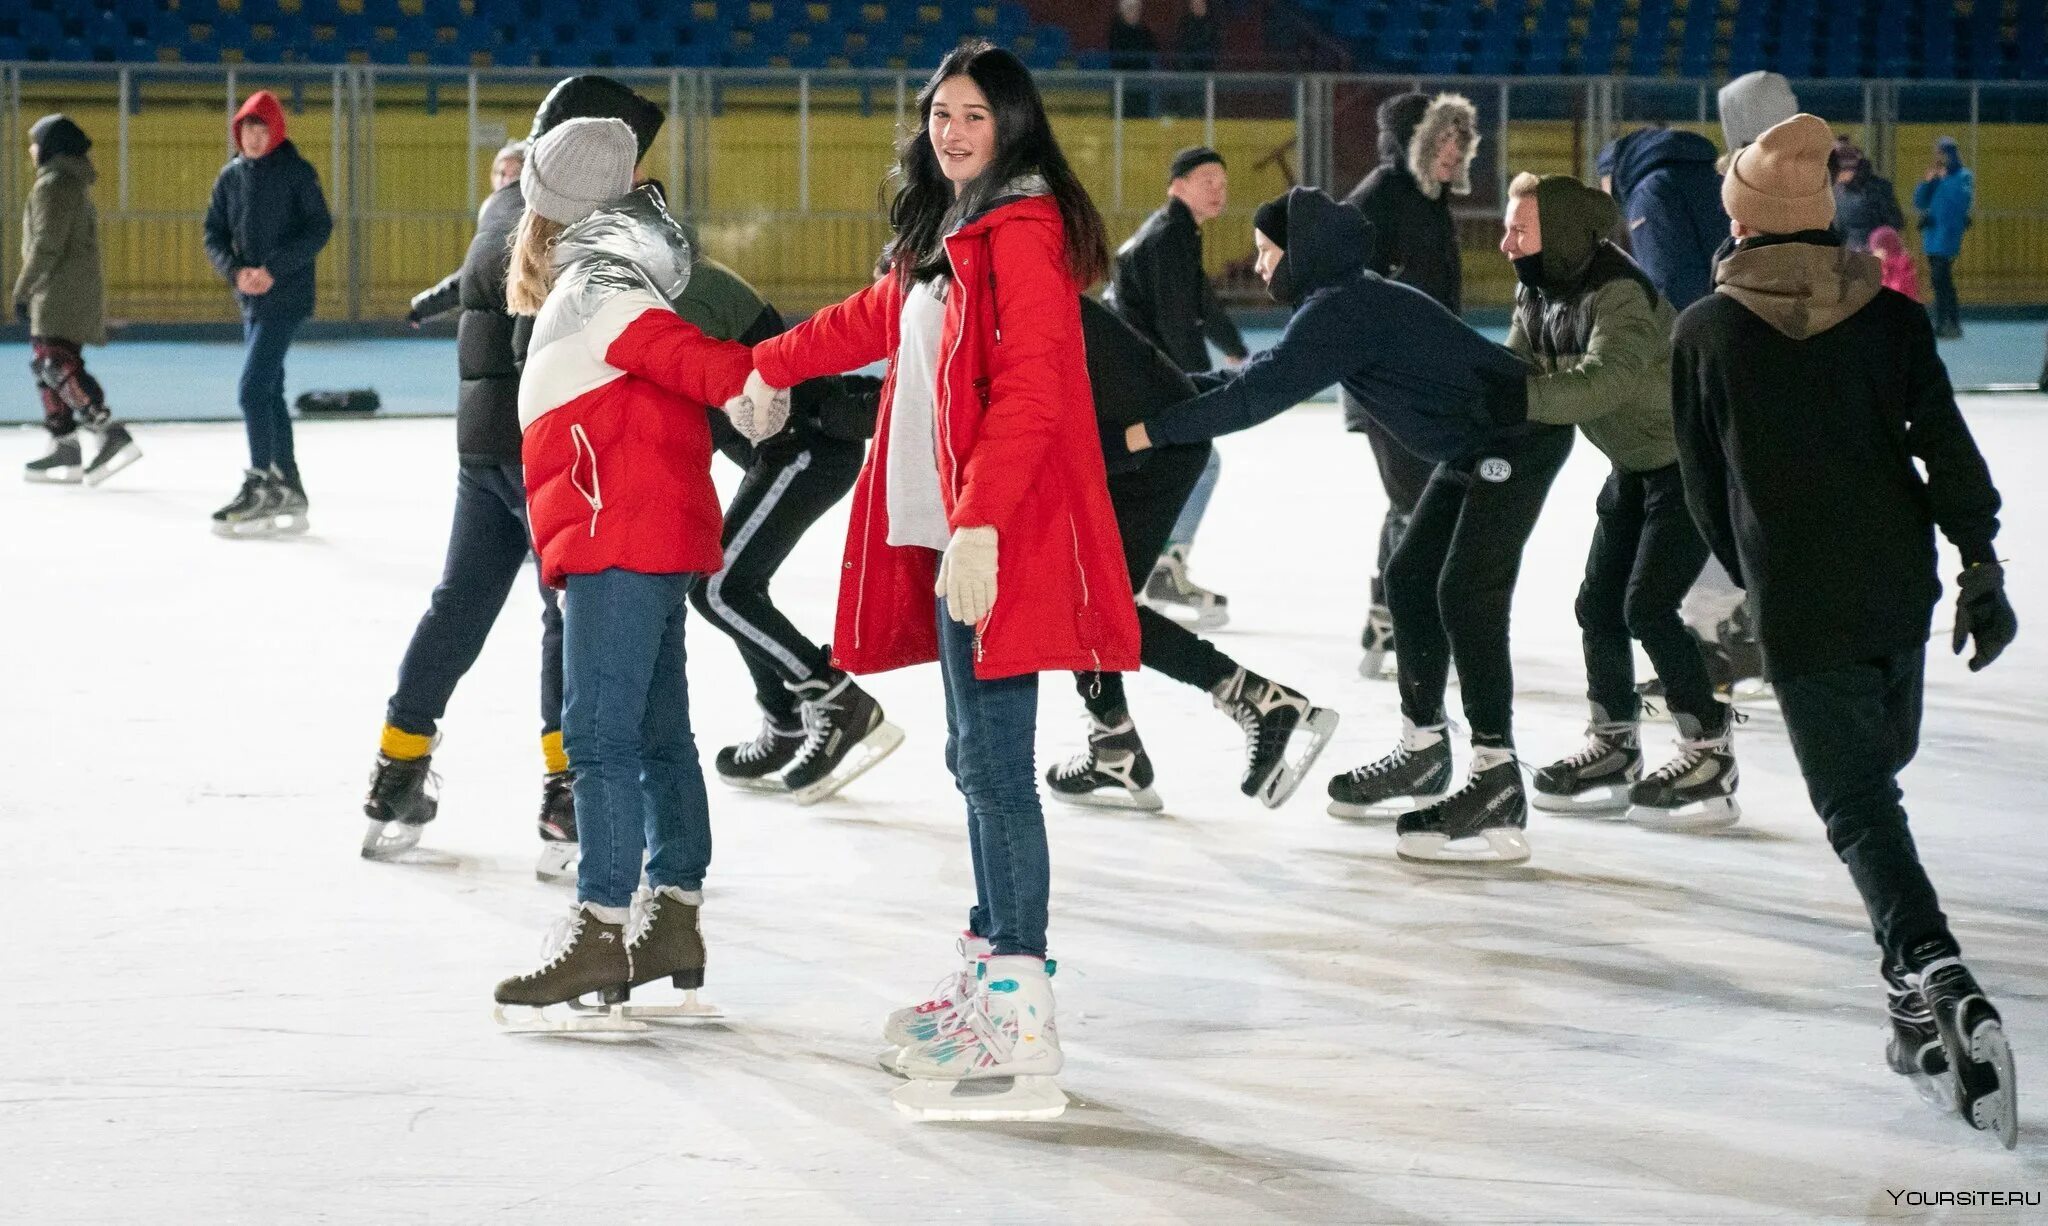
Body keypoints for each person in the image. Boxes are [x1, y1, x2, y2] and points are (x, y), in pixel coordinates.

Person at [743, 41, 1139, 1119]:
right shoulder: (949, 235)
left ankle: (1020, 1007)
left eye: (973, 114)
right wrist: (762, 366)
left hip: (992, 538)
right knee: (972, 757)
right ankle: (988, 971)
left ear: (1012, 124)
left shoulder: (1024, 233)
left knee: (999, 767)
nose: (951, 131)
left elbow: (1035, 392)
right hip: (946, 529)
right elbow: (868, 321)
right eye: (939, 114)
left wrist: (980, 525)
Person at [1674, 113, 2016, 1147]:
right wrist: (1978, 562)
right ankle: (1910, 1012)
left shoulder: (1703, 332)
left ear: (1737, 218)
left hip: (1804, 597)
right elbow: (1945, 452)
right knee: (1878, 776)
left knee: (1859, 808)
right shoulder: (1891, 318)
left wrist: (1756, 583)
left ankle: (1939, 971)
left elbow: (1701, 492)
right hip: (1895, 587)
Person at [1119, 187, 1552, 866]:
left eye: (1268, 252)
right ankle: (1423, 751)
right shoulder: (1343, 300)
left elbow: (1257, 398)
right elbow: (1259, 374)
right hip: (1475, 446)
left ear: (1304, 252)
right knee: (1410, 579)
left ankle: (1496, 778)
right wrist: (1173, 394)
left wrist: (1148, 431)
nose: (1261, 267)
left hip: (1517, 440)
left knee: (1465, 594)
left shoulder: (1346, 308)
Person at [489, 117, 786, 1025]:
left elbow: (661, 346)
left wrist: (740, 383)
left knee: (600, 736)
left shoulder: (593, 280)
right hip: (649, 533)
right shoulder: (615, 272)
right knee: (659, 735)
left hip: (616, 532)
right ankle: (673, 919)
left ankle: (601, 927)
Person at [1497, 172, 1737, 832]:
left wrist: (1513, 399)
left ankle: (1709, 747)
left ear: (1566, 236)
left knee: (1647, 607)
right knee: (1597, 605)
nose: (1503, 242)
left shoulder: (1620, 294)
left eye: (1519, 230)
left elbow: (1603, 382)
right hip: (1633, 468)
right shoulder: (1540, 287)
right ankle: (1614, 744)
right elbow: (1519, 364)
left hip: (1689, 469)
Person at [360, 136, 572, 872]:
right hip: (531, 450)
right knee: (563, 613)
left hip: (477, 452)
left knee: (457, 605)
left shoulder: (491, 223)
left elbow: (469, 290)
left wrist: (425, 303)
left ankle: (398, 767)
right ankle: (566, 789)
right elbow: (531, 341)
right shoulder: (551, 221)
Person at [1046, 295, 1336, 812]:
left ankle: (1259, 701)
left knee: (1089, 607)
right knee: (1086, 603)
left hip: (1148, 454)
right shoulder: (1005, 290)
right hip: (1131, 447)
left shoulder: (1006, 295)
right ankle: (1115, 743)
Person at [1340, 91, 1479, 679]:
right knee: (1418, 499)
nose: (1453, 151)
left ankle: (1387, 615)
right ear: (1412, 143)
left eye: (1459, 140)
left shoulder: (1430, 199)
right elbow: (1335, 277)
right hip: (1383, 380)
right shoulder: (1380, 196)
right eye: (1441, 139)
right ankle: (1401, 618)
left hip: (1424, 378)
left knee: (1419, 498)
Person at [1105, 145, 1247, 629]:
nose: (1218, 190)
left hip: (1129, 373)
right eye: (1208, 179)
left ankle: (1154, 564)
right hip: (1130, 376)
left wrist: (1232, 346)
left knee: (1179, 461)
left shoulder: (1174, 232)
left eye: (1224, 183)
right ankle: (1159, 565)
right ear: (1177, 185)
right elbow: (1174, 319)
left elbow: (1196, 301)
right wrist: (1194, 396)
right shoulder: (1169, 237)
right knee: (1199, 457)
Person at [202, 90, 333, 536]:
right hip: (250, 298)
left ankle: (261, 482)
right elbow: (213, 233)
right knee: (270, 390)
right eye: (246, 129)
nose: (253, 138)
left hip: (286, 296)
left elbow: (320, 227)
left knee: (252, 388)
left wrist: (273, 268)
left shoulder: (297, 173)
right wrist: (236, 271)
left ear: (276, 131)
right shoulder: (230, 178)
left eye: (261, 128)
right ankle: (289, 486)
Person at [16, 114, 139, 486]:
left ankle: (110, 433)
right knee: (46, 366)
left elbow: (46, 245)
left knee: (56, 364)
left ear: (50, 146)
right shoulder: (64, 182)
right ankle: (65, 447)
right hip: (61, 290)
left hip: (59, 292)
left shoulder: (54, 185)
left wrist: (22, 289)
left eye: (35, 142)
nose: (31, 150)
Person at [1597, 124, 1727, 312]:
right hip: (1730, 310)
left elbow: (1667, 276)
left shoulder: (1648, 194)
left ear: (1612, 174)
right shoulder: (1707, 173)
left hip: (1692, 323)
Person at [1913, 136, 1973, 339]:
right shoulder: (1936, 177)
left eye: (1944, 153)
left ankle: (1948, 321)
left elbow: (1961, 200)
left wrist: (1944, 180)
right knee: (1940, 281)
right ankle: (1947, 321)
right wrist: (1928, 182)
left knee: (1941, 278)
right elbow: (1920, 201)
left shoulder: (1963, 176)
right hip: (1932, 234)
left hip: (1948, 233)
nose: (1940, 158)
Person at [1829, 137, 1904, 253]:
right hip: (1851, 252)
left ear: (1849, 169)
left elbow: (1894, 221)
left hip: (1874, 252)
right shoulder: (1839, 190)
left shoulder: (1875, 189)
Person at [1869, 224, 1921, 301]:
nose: (1874, 254)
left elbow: (1902, 290)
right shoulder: (1881, 265)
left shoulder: (1902, 266)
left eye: (1877, 250)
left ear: (1887, 248)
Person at [1175, 0, 1219, 72]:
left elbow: (1215, 43)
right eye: (1195, 5)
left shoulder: (1213, 23)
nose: (1198, 7)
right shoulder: (1185, 23)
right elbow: (1181, 43)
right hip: (1188, 63)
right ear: (1191, 7)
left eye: (1200, 4)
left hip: (1207, 62)